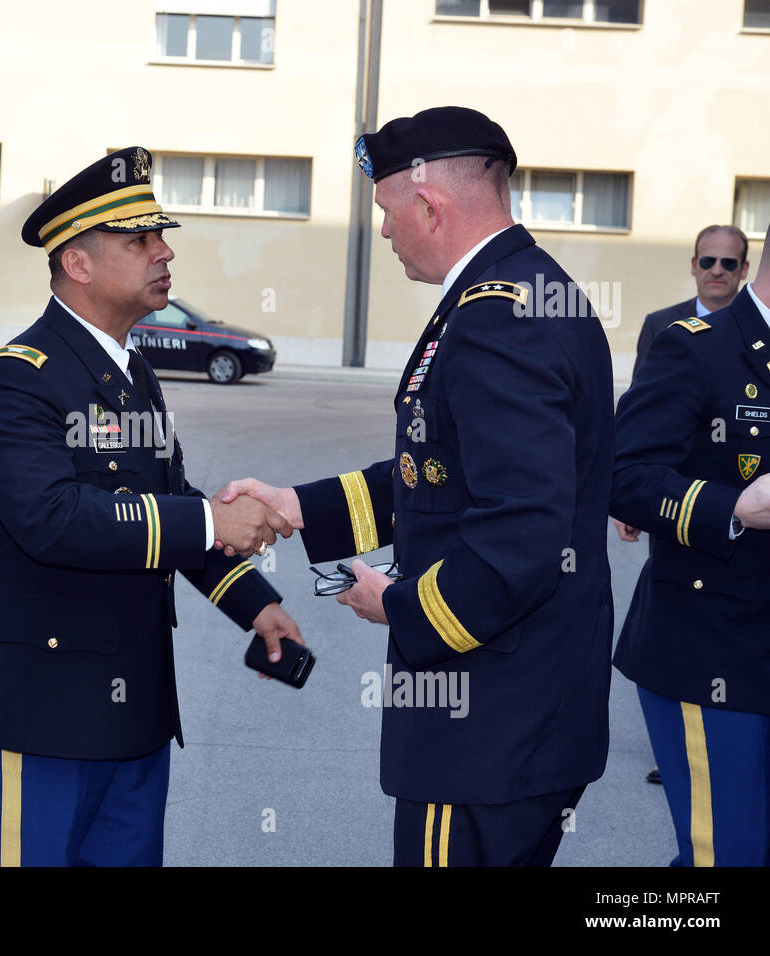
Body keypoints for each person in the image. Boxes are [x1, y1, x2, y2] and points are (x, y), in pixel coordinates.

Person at [222, 107, 615, 866]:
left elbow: (522, 529)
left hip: (487, 725)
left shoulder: (501, 318)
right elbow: (438, 472)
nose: (386, 232)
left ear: (430, 206)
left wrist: (400, 607)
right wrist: (302, 507)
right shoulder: (517, 293)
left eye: (387, 212)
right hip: (523, 721)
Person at [0, 147, 303, 867]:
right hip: (42, 718)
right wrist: (212, 522)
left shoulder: (132, 370)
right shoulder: (19, 381)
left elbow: (167, 505)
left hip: (134, 714)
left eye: (160, 236)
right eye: (140, 240)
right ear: (78, 265)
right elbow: (53, 519)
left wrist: (254, 603)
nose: (164, 252)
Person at [610, 230, 770, 866]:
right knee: (725, 859)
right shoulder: (695, 348)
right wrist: (729, 508)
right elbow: (621, 476)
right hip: (715, 648)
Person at [631, 225, 750, 383]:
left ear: (744, 269)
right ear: (694, 265)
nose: (716, 271)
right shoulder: (659, 324)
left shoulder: (760, 324)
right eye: (707, 261)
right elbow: (640, 397)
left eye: (728, 263)